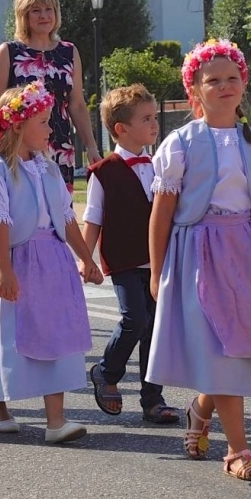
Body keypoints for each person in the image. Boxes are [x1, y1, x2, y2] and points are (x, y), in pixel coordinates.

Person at [149, 40, 251, 480]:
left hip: (245, 252)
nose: (224, 86)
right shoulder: (181, 143)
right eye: (213, 80)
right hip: (198, 252)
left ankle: (201, 407)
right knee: (219, 347)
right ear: (195, 90)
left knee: (236, 346)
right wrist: (157, 272)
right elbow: (163, 212)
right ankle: (238, 451)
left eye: (232, 78)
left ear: (244, 84)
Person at [0, 81, 101, 441]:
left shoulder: (47, 168)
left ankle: (56, 421)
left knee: (55, 337)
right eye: (44, 122)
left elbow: (65, 217)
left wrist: (87, 258)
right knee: (1, 336)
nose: (51, 129)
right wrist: (4, 269)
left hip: (53, 265)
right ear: (17, 126)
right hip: (15, 261)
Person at [84, 84, 178, 424]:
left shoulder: (160, 165)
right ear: (121, 129)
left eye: (155, 118)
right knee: (134, 320)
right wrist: (86, 258)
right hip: (124, 259)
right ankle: (107, 373)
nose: (155, 125)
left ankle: (152, 399)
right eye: (147, 119)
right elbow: (93, 218)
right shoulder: (104, 172)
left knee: (156, 329)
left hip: (158, 260)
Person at [0, 0, 101, 185]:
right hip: (19, 149)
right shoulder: (8, 52)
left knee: (61, 212)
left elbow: (77, 105)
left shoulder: (69, 52)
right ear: (24, 15)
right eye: (36, 10)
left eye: (49, 9)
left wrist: (91, 146)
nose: (44, 16)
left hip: (60, 147)